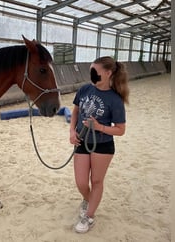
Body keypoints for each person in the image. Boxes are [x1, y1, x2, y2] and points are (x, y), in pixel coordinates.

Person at [69, 56, 129, 233]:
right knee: (81, 182)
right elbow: (75, 112)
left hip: (103, 145)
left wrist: (100, 127)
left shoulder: (115, 99)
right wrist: (72, 131)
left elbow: (120, 130)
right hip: (81, 140)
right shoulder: (84, 90)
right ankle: (89, 201)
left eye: (95, 72)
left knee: (96, 180)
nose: (91, 75)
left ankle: (89, 216)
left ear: (108, 73)